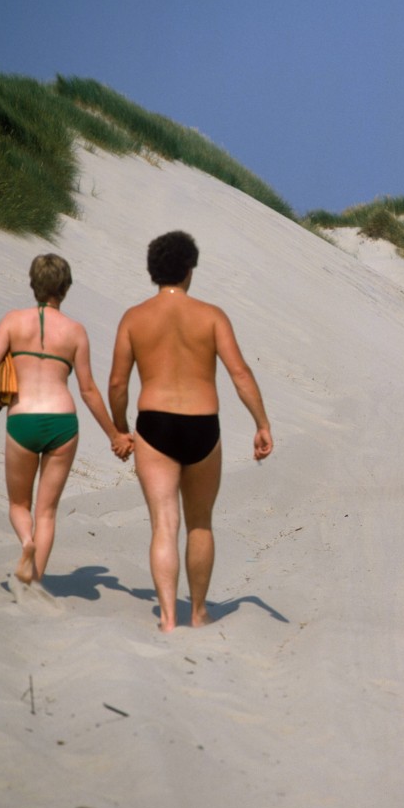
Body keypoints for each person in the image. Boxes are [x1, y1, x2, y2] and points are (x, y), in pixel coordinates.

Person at [108, 231, 273, 632]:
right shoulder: (211, 315)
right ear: (188, 269)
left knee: (164, 524)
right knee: (200, 523)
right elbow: (240, 373)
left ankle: (167, 617)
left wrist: (121, 429)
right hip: (202, 425)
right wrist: (261, 423)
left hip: (154, 425)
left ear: (153, 271)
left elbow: (117, 385)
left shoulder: (134, 317)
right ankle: (198, 612)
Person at [0, 254, 133, 585]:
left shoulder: (12, 320)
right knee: (46, 511)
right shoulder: (76, 331)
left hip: (23, 418)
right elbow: (89, 390)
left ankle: (26, 542)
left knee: (20, 504)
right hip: (63, 422)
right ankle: (34, 582)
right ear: (65, 288)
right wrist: (115, 435)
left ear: (33, 284)